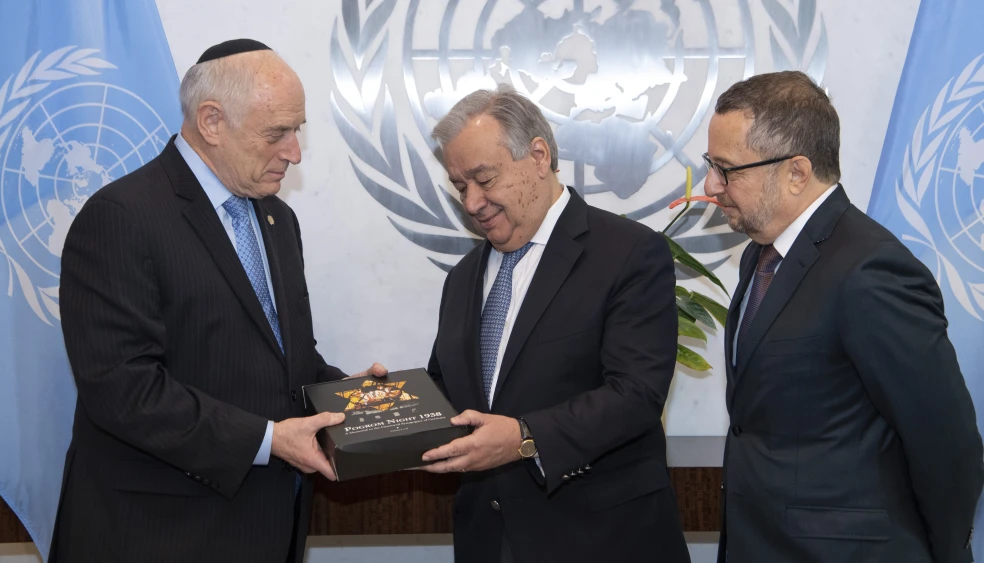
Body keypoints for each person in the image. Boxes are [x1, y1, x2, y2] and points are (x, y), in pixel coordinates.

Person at [50, 39, 384, 563]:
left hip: (267, 529)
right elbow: (123, 390)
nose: (294, 152)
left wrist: (350, 399)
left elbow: (286, 359)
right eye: (277, 133)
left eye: (297, 131)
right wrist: (268, 439)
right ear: (211, 121)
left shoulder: (277, 219)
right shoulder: (121, 217)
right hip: (158, 536)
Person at [705, 70, 984, 563]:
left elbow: (947, 443)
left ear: (796, 172)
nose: (711, 185)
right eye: (711, 165)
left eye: (728, 169)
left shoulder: (871, 269)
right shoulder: (761, 255)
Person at [420, 84, 690, 563]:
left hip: (601, 541)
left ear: (538, 156)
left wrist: (526, 437)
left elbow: (636, 395)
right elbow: (448, 394)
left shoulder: (629, 253)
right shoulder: (462, 279)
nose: (472, 202)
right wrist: (382, 405)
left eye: (484, 178)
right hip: (488, 540)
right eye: (461, 186)